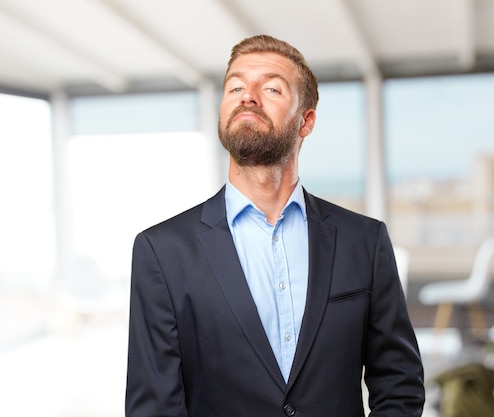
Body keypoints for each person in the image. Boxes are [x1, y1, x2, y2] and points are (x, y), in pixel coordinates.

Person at [125, 34, 425, 417]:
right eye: (235, 85)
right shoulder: (162, 251)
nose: (248, 95)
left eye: (270, 87)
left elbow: (399, 385)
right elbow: (154, 407)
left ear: (306, 121)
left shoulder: (364, 241)